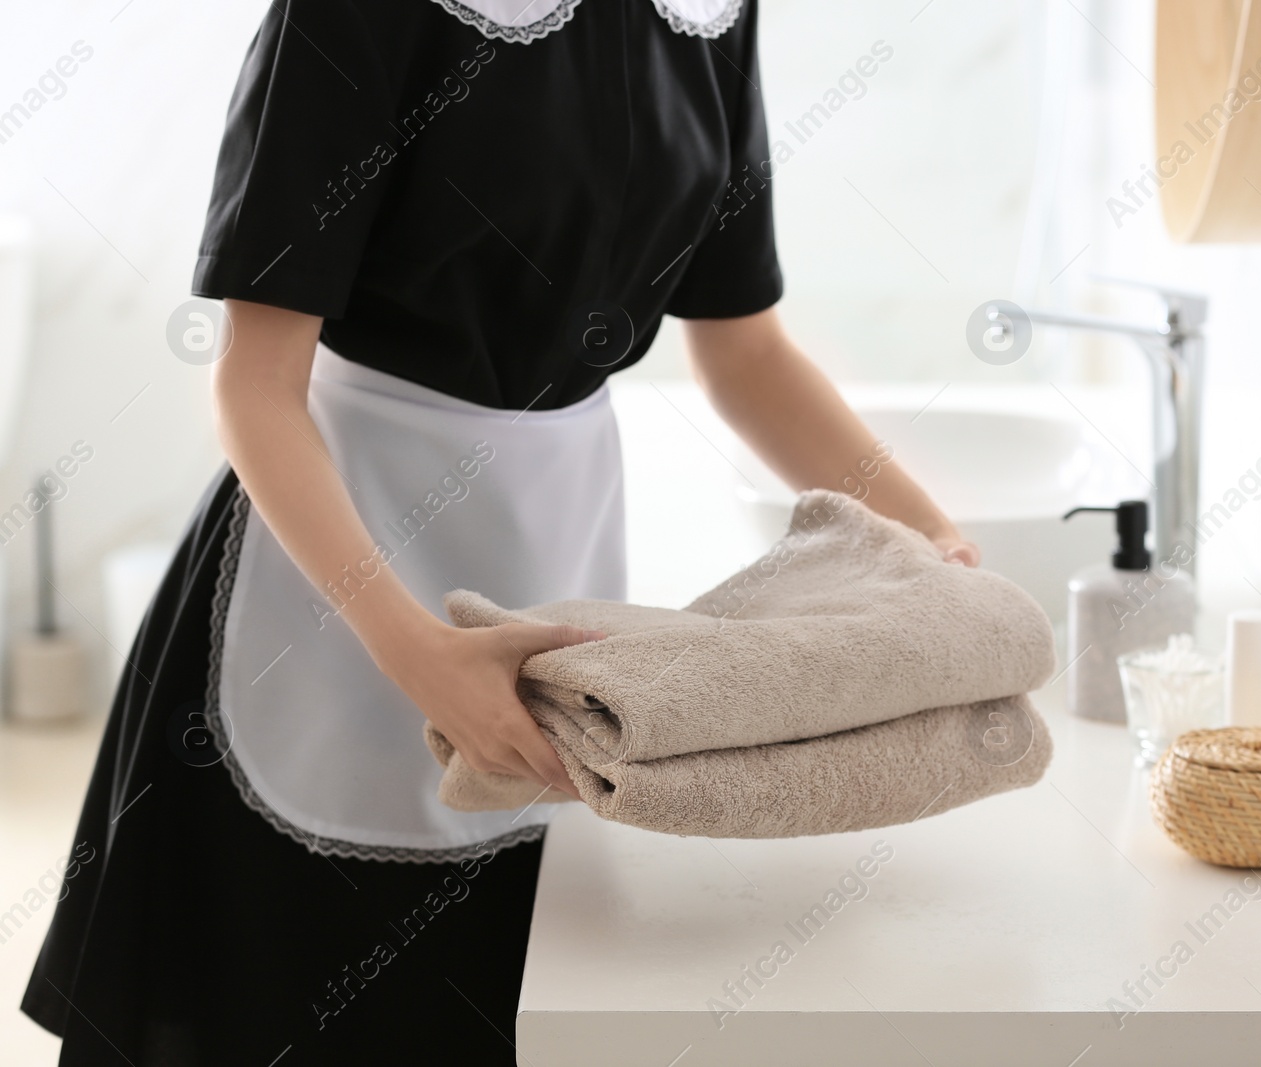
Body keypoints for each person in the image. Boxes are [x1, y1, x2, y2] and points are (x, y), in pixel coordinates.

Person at [23, 1, 976, 1062]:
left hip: (558, 554)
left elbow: (746, 353)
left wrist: (936, 544)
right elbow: (253, 385)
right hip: (333, 579)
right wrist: (415, 653)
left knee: (503, 1002)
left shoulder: (706, 15)